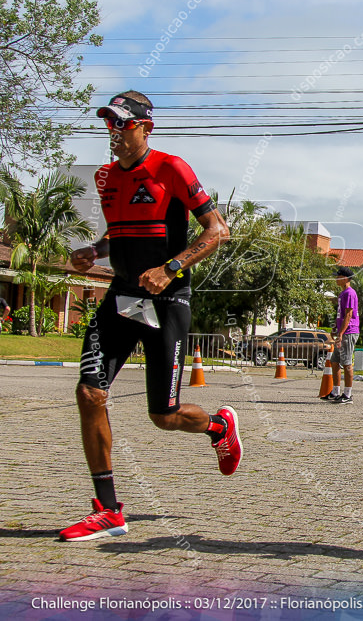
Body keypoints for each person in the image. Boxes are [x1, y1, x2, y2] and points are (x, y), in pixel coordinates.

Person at [60, 91, 237, 542]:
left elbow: (218, 231)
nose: (114, 134)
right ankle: (108, 509)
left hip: (167, 299)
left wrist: (171, 268)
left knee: (164, 414)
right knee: (89, 393)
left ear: (145, 127)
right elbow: (116, 235)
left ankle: (218, 426)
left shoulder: (171, 168)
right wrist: (93, 251)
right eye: (109, 125)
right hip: (120, 298)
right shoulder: (105, 178)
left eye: (123, 124)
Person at [325, 265, 359, 404]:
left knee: (346, 364)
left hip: (349, 332)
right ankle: (335, 391)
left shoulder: (350, 293)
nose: (336, 279)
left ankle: (348, 395)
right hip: (342, 331)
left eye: (338, 277)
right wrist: (335, 327)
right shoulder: (342, 293)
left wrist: (341, 333)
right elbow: (341, 314)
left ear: (345, 278)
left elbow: (349, 314)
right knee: (334, 362)